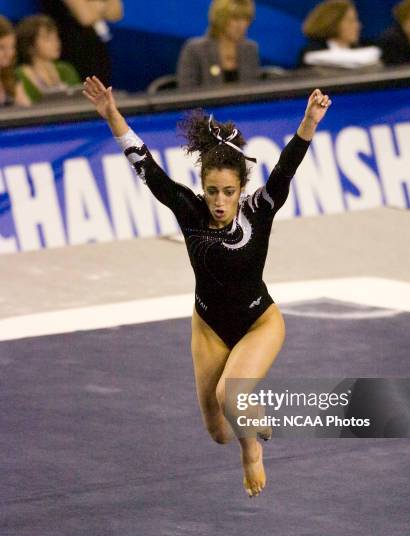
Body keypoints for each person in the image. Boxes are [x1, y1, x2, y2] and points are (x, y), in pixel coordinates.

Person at [82, 74, 332, 497]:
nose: (219, 201)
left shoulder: (261, 210)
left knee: (230, 395)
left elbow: (287, 166)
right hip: (209, 325)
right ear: (202, 189)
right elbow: (148, 169)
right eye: (212, 191)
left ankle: (251, 451)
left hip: (259, 322)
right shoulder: (190, 212)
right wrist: (112, 115)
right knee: (217, 429)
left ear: (242, 190)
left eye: (228, 192)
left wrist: (309, 122)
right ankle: (247, 416)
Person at [177, 0, 260, 89]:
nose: (242, 25)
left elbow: (253, 92)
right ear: (220, 18)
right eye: (235, 18)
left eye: (246, 19)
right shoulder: (195, 51)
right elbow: (187, 93)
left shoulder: (250, 50)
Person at [40, 0, 123, 84]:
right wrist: (102, 5)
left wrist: (92, 7)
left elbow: (115, 14)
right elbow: (85, 17)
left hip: (97, 51)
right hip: (71, 51)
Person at [16, 14, 80, 104]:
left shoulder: (66, 69)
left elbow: (78, 101)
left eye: (56, 37)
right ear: (29, 45)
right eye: (47, 39)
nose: (56, 42)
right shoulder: (19, 76)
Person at [299, 0, 362, 66]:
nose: (357, 26)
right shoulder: (312, 53)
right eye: (350, 21)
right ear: (333, 23)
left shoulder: (362, 52)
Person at [0, 16, 30, 107]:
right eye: (1, 47)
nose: (9, 54)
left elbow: (26, 110)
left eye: (12, 47)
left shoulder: (12, 78)